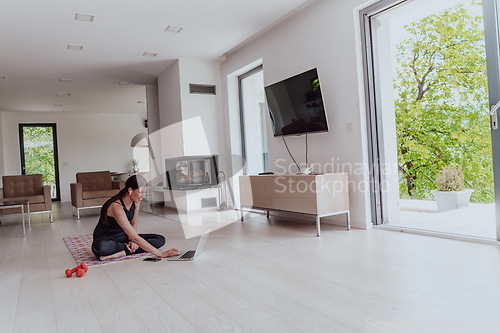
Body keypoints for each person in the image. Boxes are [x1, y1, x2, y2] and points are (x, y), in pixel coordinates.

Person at [91, 174, 179, 260]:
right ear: (130, 190)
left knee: (160, 239)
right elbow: (135, 237)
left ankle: (122, 253)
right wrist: (160, 254)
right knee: (101, 247)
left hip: (123, 238)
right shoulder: (116, 206)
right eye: (141, 192)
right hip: (107, 240)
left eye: (145, 192)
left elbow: (134, 223)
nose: (143, 196)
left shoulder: (136, 202)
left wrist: (132, 241)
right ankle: (125, 249)